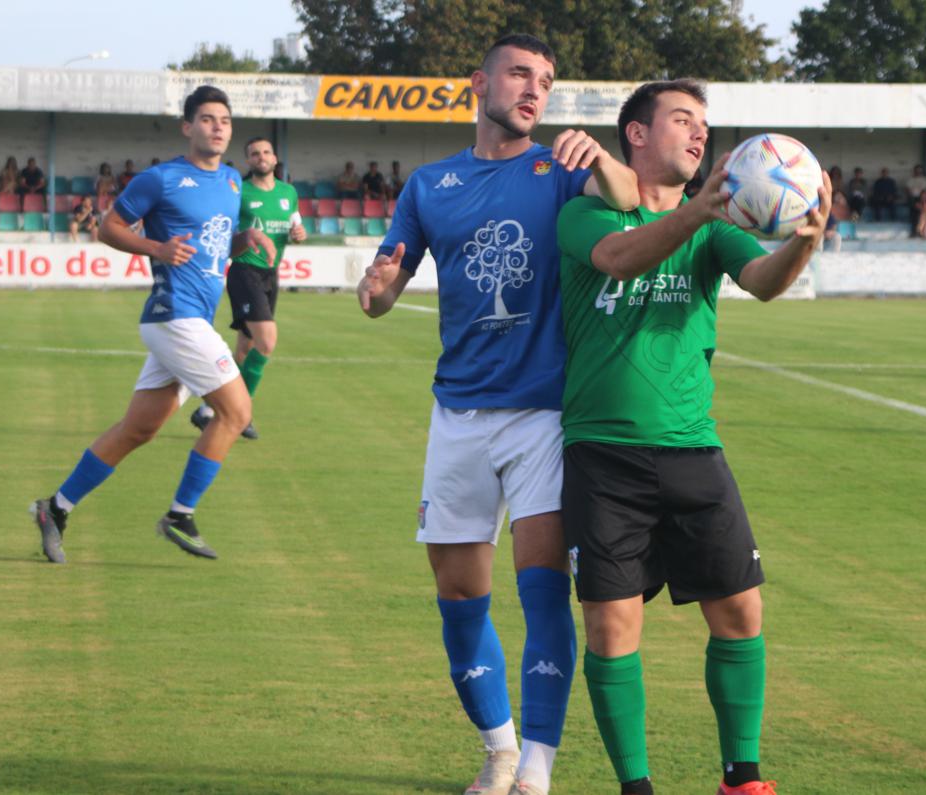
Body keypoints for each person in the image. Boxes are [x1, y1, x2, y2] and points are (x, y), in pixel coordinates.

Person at [357, 34, 638, 795]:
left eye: (545, 79)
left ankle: (536, 769)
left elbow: (631, 200)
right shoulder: (429, 184)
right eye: (519, 73)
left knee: (543, 590)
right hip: (458, 412)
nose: (534, 88)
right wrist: (376, 285)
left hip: (542, 413)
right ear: (479, 84)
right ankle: (500, 748)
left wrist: (602, 158)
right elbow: (383, 291)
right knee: (457, 594)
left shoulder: (560, 171)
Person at [557, 78, 829, 795]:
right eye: (682, 119)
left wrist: (804, 244)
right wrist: (697, 209)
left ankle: (742, 777)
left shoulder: (714, 226)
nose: (700, 133)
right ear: (637, 134)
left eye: (703, 123)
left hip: (693, 449)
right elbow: (620, 259)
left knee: (741, 610)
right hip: (603, 455)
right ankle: (636, 787)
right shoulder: (585, 214)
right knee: (611, 628)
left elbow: (763, 281)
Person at [31, 85, 275, 565]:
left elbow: (212, 245)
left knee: (138, 429)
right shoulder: (161, 179)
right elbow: (109, 227)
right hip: (174, 316)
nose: (218, 127)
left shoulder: (231, 182)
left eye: (224, 120)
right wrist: (157, 248)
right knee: (236, 413)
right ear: (188, 127)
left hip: (191, 320)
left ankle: (54, 508)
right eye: (207, 119)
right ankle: (181, 515)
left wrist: (244, 237)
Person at [190, 136, 307, 440]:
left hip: (270, 274)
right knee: (267, 341)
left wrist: (298, 234)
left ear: (275, 158)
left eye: (266, 152)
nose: (261, 157)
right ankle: (240, 413)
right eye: (255, 153)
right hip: (244, 271)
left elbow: (295, 228)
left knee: (246, 348)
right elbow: (223, 228)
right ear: (249, 160)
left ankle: (208, 411)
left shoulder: (288, 192)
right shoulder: (239, 191)